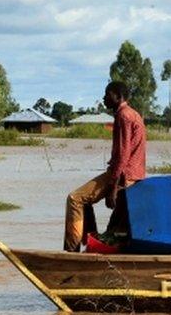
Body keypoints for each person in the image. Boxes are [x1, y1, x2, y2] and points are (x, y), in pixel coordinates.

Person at [63, 81, 147, 252]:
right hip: (135, 175)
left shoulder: (123, 116)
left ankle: (72, 250)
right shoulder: (134, 114)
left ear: (118, 96)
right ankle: (90, 239)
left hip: (123, 175)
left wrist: (113, 187)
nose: (104, 98)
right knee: (88, 202)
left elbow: (123, 155)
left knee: (75, 198)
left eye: (107, 94)